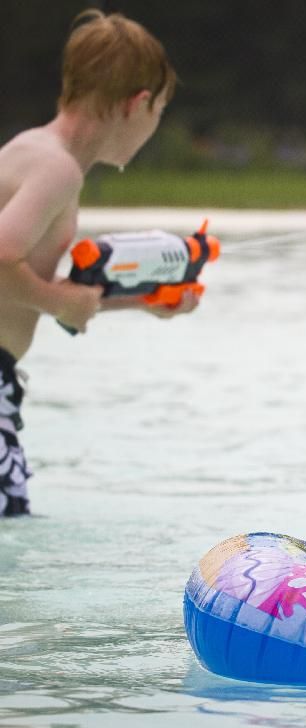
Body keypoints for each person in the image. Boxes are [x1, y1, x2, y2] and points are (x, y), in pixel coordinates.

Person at [0, 10, 195, 517]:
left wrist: (142, 303)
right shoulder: (56, 168)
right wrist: (61, 301)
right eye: (160, 112)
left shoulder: (34, 151)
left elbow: (21, 283)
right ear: (141, 103)